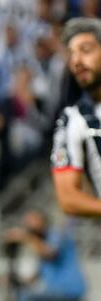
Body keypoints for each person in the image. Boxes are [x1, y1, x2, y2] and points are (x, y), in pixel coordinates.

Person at [5, 210, 87, 301]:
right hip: (52, 287)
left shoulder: (56, 234)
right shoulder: (42, 240)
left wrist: (26, 237)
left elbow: (50, 254)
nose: (29, 226)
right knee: (22, 292)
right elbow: (45, 268)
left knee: (26, 296)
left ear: (42, 220)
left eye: (32, 221)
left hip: (68, 287)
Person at [52, 18, 101, 219]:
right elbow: (68, 198)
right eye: (71, 54)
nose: (76, 61)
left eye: (86, 50)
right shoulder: (74, 120)